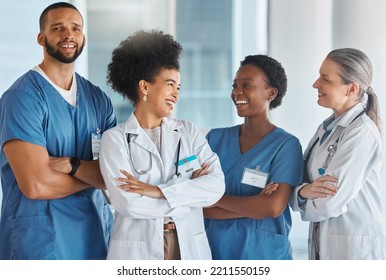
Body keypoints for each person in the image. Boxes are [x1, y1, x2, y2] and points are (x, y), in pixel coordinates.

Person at [0, 2, 116, 260]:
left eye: (75, 28)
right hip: (40, 241)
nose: (68, 35)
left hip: (94, 235)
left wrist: (71, 165)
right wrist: (90, 176)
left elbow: (114, 176)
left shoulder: (98, 100)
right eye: (58, 28)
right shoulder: (22, 98)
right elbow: (36, 184)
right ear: (42, 38)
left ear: (83, 38)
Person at [99, 30, 225, 260]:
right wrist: (187, 194)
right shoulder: (115, 139)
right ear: (145, 87)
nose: (176, 94)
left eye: (178, 87)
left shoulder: (188, 132)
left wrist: (158, 191)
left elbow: (216, 187)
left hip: (189, 245)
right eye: (170, 85)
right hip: (139, 251)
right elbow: (129, 205)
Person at [203, 54, 303, 260]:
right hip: (215, 252)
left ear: (271, 93)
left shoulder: (286, 145)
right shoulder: (215, 138)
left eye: (247, 85)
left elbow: (272, 207)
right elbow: (196, 205)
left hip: (264, 255)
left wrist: (216, 200)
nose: (237, 92)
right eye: (235, 85)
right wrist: (255, 204)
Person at [290, 48, 386, 260]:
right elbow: (298, 184)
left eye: (325, 79)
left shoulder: (362, 132)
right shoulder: (326, 128)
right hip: (324, 245)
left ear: (351, 89)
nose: (316, 84)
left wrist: (300, 195)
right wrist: (304, 192)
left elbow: (329, 203)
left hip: (356, 251)